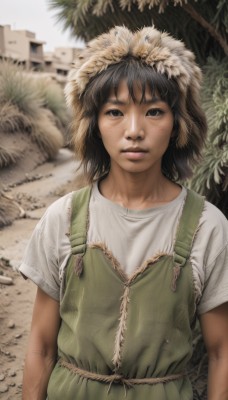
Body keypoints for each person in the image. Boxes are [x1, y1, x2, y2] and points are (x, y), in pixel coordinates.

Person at [19, 26, 228, 400]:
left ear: (178, 123)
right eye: (115, 111)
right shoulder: (62, 218)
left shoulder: (207, 227)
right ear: (95, 125)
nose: (134, 130)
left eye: (154, 111)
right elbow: (40, 344)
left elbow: (221, 352)